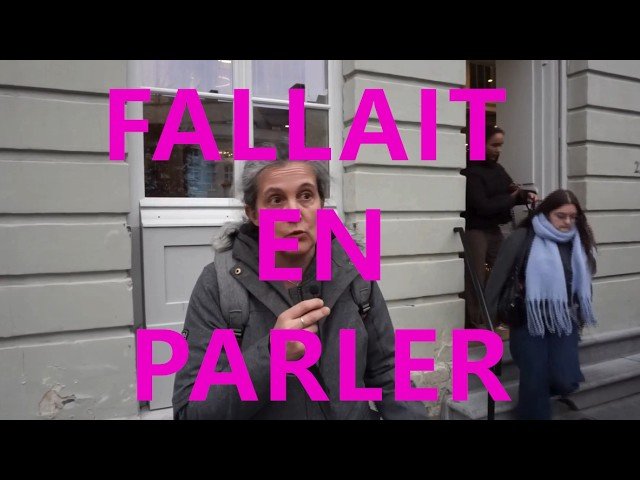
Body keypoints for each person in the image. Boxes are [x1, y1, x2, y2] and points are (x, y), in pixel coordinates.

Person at [172, 159, 429, 420]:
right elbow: (191, 411)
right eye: (276, 200)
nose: (293, 213)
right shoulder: (219, 284)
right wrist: (271, 357)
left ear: (321, 205)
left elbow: (388, 372)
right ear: (254, 214)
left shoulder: (353, 271)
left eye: (306, 196)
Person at [485, 189, 598, 420]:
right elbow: (497, 279)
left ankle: (541, 397)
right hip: (529, 320)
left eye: (573, 217)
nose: (568, 222)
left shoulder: (577, 241)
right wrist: (490, 320)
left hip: (564, 320)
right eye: (561, 216)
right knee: (535, 378)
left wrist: (581, 315)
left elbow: (583, 281)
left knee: (566, 379)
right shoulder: (522, 237)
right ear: (546, 213)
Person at [461, 125, 537, 331]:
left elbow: (511, 190)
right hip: (475, 229)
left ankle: (499, 314)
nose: (498, 150)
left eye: (500, 145)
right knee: (476, 277)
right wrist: (512, 197)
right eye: (494, 145)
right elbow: (483, 205)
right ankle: (477, 321)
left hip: (493, 228)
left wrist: (526, 195)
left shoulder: (498, 169)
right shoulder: (471, 171)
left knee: (506, 268)